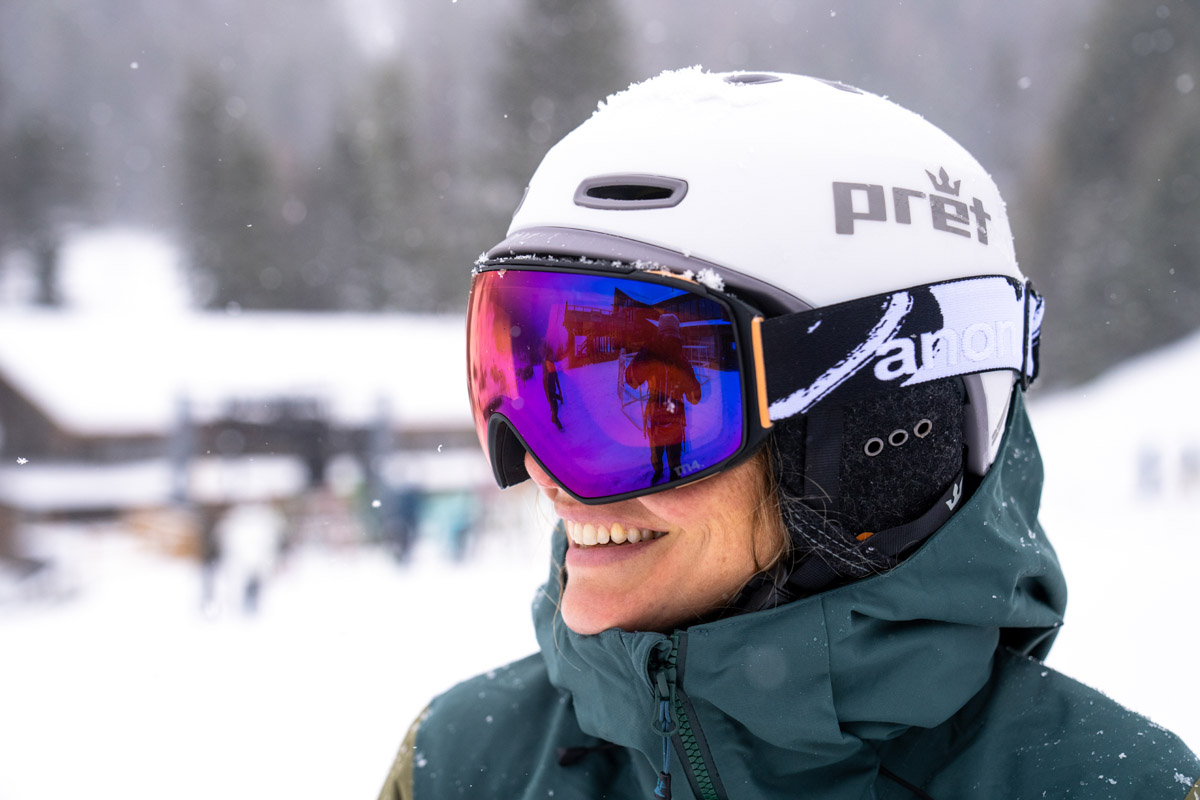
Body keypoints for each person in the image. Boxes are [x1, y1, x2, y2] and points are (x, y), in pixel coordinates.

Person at [379, 69, 1199, 799]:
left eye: (654, 408)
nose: (538, 474)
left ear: (883, 441)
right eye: (529, 381)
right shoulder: (458, 764)